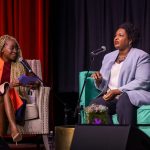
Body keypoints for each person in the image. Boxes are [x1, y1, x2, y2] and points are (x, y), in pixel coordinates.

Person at [90, 22, 150, 125]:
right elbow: (104, 86)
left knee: (124, 99)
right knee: (95, 105)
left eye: (120, 35)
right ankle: (108, 137)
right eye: (115, 36)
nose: (116, 38)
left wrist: (118, 91)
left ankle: (127, 138)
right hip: (112, 97)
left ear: (130, 40)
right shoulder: (108, 57)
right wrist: (99, 81)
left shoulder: (141, 56)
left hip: (131, 96)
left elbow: (143, 81)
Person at [0, 35, 40, 143]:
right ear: (3, 48)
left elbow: (36, 81)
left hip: (16, 99)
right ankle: (12, 132)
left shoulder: (21, 63)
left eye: (17, 48)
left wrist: (26, 81)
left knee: (6, 90)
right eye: (12, 48)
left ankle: (13, 129)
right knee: (4, 93)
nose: (15, 51)